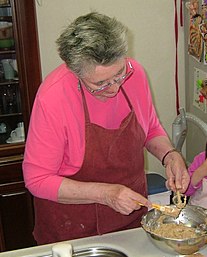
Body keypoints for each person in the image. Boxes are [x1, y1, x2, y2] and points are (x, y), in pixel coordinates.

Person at [22, 12, 190, 245]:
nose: (113, 88)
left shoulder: (135, 74)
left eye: (119, 74)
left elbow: (150, 128)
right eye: (100, 84)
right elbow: (37, 179)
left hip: (130, 217)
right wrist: (106, 194)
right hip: (73, 227)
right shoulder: (53, 97)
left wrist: (170, 155)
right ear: (76, 73)